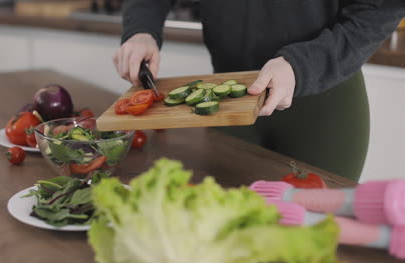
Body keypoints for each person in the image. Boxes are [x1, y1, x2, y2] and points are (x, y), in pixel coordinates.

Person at [113, 0, 405, 182]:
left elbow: (378, 9)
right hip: (228, 103)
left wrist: (301, 65)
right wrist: (142, 29)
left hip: (323, 105)